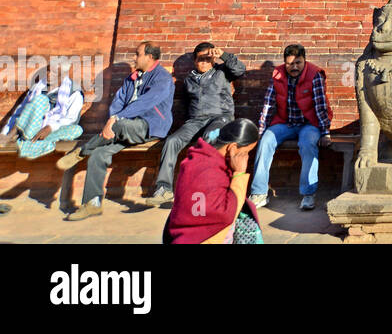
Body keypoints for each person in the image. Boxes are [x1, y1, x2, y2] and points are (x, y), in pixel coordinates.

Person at [58, 42, 174, 221]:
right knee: (98, 154)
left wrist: (116, 120)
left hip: (150, 127)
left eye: (137, 54)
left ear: (150, 57)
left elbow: (147, 102)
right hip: (123, 128)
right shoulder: (132, 78)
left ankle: (82, 151)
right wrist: (113, 117)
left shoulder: (162, 78)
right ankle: (92, 204)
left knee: (119, 126)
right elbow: (118, 103)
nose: (134, 58)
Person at [146, 42, 246, 206]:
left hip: (220, 118)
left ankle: (206, 190)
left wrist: (223, 55)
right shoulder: (188, 80)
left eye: (208, 59)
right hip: (195, 121)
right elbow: (187, 106)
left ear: (213, 59)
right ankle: (164, 189)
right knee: (171, 141)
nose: (204, 62)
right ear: (194, 61)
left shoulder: (222, 72)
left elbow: (240, 69)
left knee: (209, 138)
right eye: (201, 59)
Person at [248, 44, 331, 211]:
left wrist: (325, 133)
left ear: (304, 61)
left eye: (298, 63)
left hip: (309, 124)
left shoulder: (314, 75)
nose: (294, 67)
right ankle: (259, 193)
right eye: (289, 63)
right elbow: (268, 105)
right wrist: (262, 131)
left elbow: (320, 106)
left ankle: (308, 194)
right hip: (284, 122)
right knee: (265, 142)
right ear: (284, 63)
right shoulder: (277, 75)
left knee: (307, 144)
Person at [163, 118, 263, 244]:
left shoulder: (198, 159)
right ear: (232, 148)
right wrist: (239, 174)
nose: (246, 158)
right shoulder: (209, 171)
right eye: (245, 152)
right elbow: (226, 216)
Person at [0, 61, 84, 159]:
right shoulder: (37, 87)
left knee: (77, 130)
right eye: (48, 70)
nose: (48, 74)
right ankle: (20, 137)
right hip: (30, 128)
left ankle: (30, 144)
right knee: (41, 99)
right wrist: (5, 133)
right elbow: (20, 112)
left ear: (63, 75)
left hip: (48, 132)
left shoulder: (74, 92)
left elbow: (71, 118)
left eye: (53, 72)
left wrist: (50, 127)